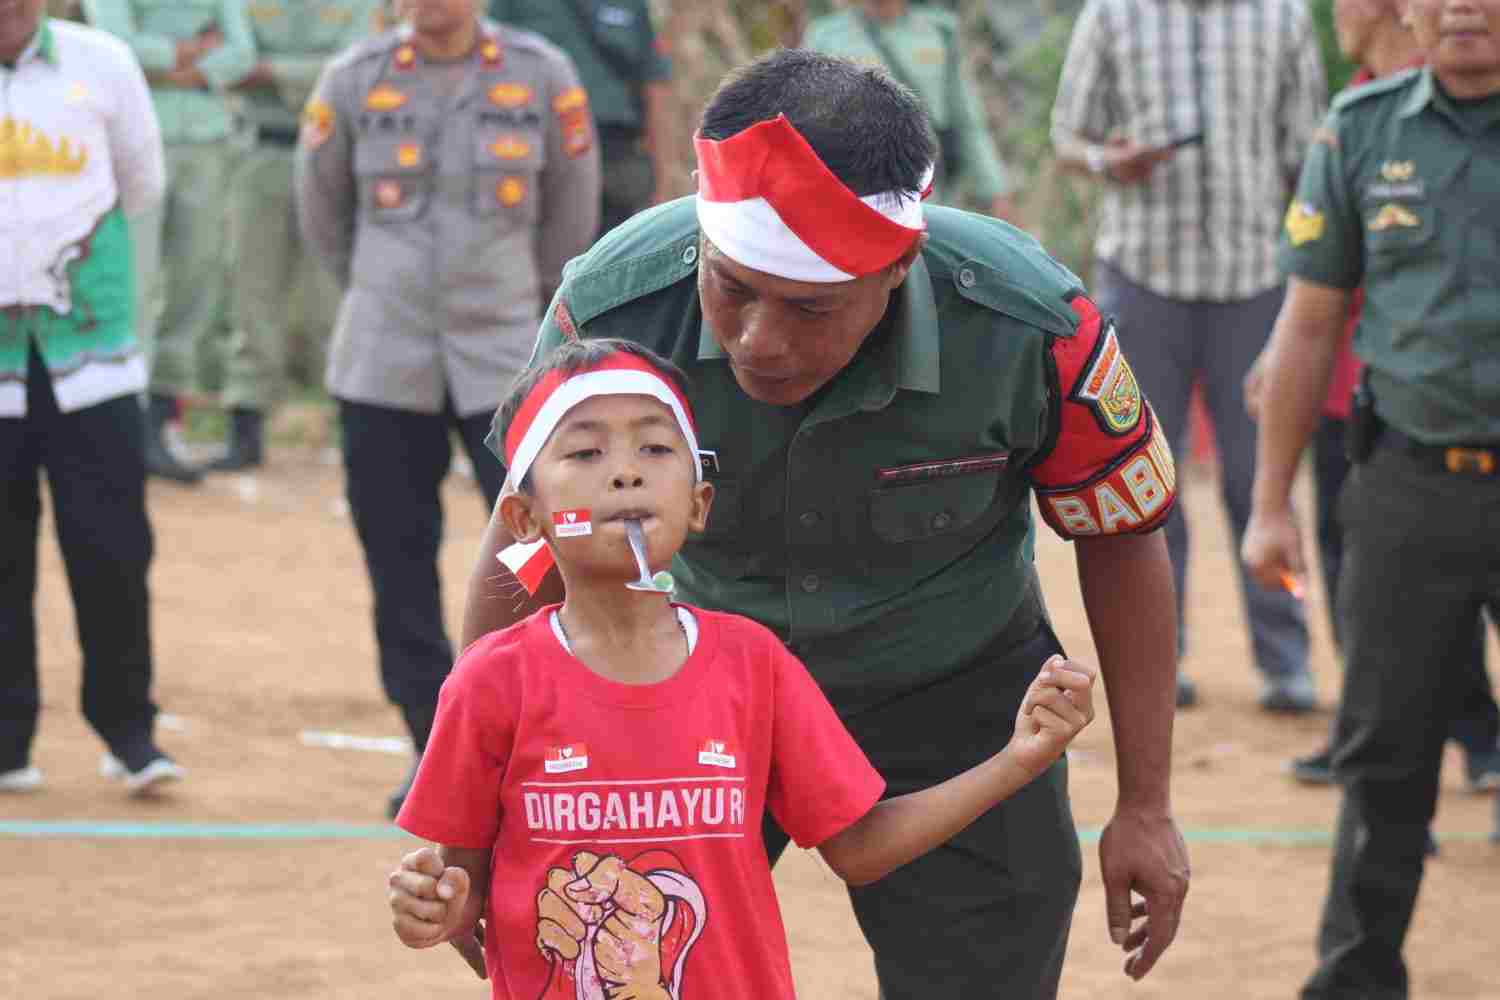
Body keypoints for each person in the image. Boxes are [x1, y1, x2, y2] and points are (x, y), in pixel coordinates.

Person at [458, 48, 1190, 997]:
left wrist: (1146, 803)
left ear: (899, 267)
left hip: (956, 698)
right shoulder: (615, 304)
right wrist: (476, 818)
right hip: (681, 698)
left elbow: (1123, 535)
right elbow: (526, 540)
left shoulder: (1028, 327)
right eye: (732, 289)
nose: (761, 340)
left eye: (812, 310)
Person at [385, 337, 1099, 998]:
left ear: (698, 505)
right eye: (585, 454)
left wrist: (1017, 759)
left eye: (657, 448)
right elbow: (462, 888)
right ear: (524, 517)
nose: (627, 470)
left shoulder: (755, 665)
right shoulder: (490, 683)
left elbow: (859, 845)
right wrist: (432, 906)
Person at [1242, 0, 1500, 993]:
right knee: (1384, 756)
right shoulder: (1361, 131)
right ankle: (1355, 977)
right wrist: (1269, 503)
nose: (1464, 6)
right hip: (1408, 490)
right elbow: (1308, 329)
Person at [295, 0, 600, 819]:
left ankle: (540, 726)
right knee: (397, 556)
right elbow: (322, 216)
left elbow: (570, 218)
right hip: (382, 359)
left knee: (539, 551)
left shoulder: (544, 77)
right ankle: (433, 741)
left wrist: (531, 317)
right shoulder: (353, 81)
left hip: (505, 359)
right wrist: (379, 288)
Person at [1051, 0, 1327, 711]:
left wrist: (1311, 272)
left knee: (1257, 478)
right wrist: (1109, 161)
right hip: (1145, 280)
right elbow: (1066, 137)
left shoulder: (1283, 18)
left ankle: (1285, 660)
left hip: (1256, 279)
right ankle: (1158, 658)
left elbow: (1309, 159)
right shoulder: (1113, 16)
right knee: (1146, 482)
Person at [0, 0, 185, 796]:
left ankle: (130, 734)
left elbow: (142, 182)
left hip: (93, 353)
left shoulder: (101, 61)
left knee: (111, 547)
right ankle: (7, 743)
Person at [82, 0, 257, 485]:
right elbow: (115, 44)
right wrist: (189, 53)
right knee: (133, 283)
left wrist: (167, 63)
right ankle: (125, 422)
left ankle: (159, 418)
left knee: (196, 282)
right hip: (135, 135)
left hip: (205, 139)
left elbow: (242, 52)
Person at [203, 0, 379, 473]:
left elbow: (357, 71)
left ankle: (354, 428)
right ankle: (246, 424)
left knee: (337, 300)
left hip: (336, 156)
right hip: (259, 148)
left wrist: (264, 69)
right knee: (249, 291)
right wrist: (291, 74)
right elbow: (224, 62)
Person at [802, 0, 1017, 221]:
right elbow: (810, 122)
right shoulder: (826, 37)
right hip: (863, 188)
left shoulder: (938, 30)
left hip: (931, 184)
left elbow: (966, 118)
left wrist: (995, 189)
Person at [486, 0, 673, 239]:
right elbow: (487, 68)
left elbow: (655, 86)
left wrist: (662, 183)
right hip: (541, 154)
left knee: (616, 259)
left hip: (616, 159)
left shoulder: (632, 5)